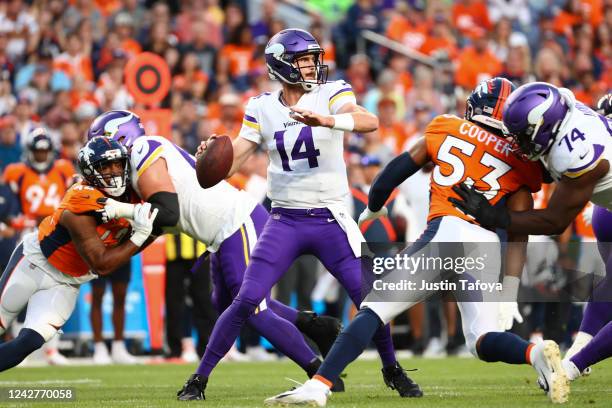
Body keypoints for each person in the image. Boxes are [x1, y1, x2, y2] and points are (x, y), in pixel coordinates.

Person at [265, 77, 570, 405]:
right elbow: (518, 230)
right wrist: (509, 289)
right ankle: (535, 352)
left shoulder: (447, 127)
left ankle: (318, 387)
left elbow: (392, 174)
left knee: (373, 308)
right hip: (484, 247)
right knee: (480, 339)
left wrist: (374, 207)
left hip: (446, 230)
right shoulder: (523, 165)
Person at [180, 28, 422, 401]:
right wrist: (207, 162)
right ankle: (198, 380)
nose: (312, 66)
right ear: (281, 64)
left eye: (313, 59)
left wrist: (327, 121)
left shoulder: (331, 92)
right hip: (285, 220)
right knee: (245, 300)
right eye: (304, 60)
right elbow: (230, 166)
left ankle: (392, 369)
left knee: (372, 298)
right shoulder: (261, 106)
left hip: (331, 218)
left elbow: (368, 120)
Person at [88, 109, 343, 400]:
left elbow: (167, 210)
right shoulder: (138, 172)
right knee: (224, 304)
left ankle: (318, 373)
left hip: (237, 222)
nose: (106, 164)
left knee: (249, 310)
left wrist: (123, 212)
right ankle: (317, 326)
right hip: (222, 234)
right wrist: (122, 250)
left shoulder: (143, 148)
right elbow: (161, 222)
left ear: (122, 137)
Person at [449, 84, 612, 384]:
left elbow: (554, 221)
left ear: (545, 126)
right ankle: (576, 358)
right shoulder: (563, 108)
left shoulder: (577, 153)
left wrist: (495, 216)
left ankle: (572, 365)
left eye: (523, 135)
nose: (517, 142)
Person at [0, 136, 158, 372]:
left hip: (67, 283)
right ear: (90, 171)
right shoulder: (80, 196)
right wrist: (141, 232)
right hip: (34, 262)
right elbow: (102, 265)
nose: (114, 171)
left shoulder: (134, 194)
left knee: (29, 342)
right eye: (105, 166)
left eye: (118, 164)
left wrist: (150, 227)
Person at [2, 127, 76, 365]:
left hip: (57, 231)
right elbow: (8, 202)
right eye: (38, 150)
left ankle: (50, 349)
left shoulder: (63, 169)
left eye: (45, 150)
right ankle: (13, 344)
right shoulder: (17, 172)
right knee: (16, 292)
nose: (42, 155)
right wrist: (15, 219)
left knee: (54, 290)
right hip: (30, 232)